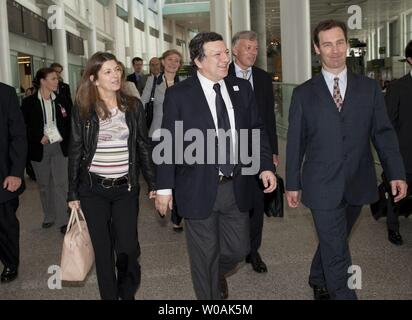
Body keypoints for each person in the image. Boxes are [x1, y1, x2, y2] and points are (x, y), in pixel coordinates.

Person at [285, 20, 407, 300]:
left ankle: (318, 276)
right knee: (338, 252)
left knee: (335, 239)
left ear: (347, 44)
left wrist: (396, 173)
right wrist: (292, 182)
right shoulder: (304, 93)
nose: (335, 50)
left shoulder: (369, 88)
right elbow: (296, 142)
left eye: (340, 42)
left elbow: (383, 133)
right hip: (320, 183)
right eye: (327, 44)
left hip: (357, 180)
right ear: (317, 48)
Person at [154, 32, 276, 300]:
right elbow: (168, 142)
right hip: (197, 186)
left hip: (236, 185)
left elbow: (256, 130)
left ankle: (216, 270)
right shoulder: (179, 95)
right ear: (198, 61)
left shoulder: (241, 89)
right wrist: (164, 187)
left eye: (225, 53)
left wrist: (265, 165)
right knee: (203, 256)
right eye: (217, 55)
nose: (225, 59)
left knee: (238, 248)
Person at [67, 52, 156, 300]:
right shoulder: (83, 109)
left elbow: (143, 146)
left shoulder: (133, 106)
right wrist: (72, 192)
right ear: (94, 79)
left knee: (128, 249)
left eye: (117, 69)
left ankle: (126, 294)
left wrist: (153, 183)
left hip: (125, 189)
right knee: (103, 251)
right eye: (107, 71)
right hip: (93, 190)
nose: (115, 75)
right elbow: (75, 151)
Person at [229, 30, 279, 273]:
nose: (252, 52)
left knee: (257, 205)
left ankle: (253, 251)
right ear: (235, 49)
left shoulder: (263, 78)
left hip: (257, 150)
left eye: (255, 48)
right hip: (229, 151)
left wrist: (272, 152)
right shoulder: (221, 74)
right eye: (247, 47)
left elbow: (268, 117)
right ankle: (225, 257)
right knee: (232, 203)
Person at [21, 68, 71, 234]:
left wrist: (64, 136)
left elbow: (69, 123)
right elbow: (22, 127)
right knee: (44, 184)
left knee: (61, 183)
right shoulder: (29, 103)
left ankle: (63, 220)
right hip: (39, 147)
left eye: (57, 79)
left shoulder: (62, 100)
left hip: (59, 145)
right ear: (42, 81)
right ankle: (49, 215)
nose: (57, 81)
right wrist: (37, 138)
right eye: (53, 79)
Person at [140, 49, 184, 232]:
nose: (174, 63)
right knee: (162, 173)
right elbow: (142, 103)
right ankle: (163, 198)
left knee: (181, 176)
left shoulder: (185, 83)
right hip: (157, 134)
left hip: (181, 135)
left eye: (177, 61)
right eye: (170, 59)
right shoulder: (153, 81)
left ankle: (177, 216)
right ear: (163, 62)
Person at [384, 40, 412, 246]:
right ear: (410, 60)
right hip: (405, 153)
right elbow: (388, 124)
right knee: (397, 193)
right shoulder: (398, 87)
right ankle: (393, 228)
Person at [0, 82, 27, 283]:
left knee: (5, 223)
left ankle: (10, 263)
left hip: (4, 175)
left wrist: (16, 173)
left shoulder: (5, 93)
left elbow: (18, 136)